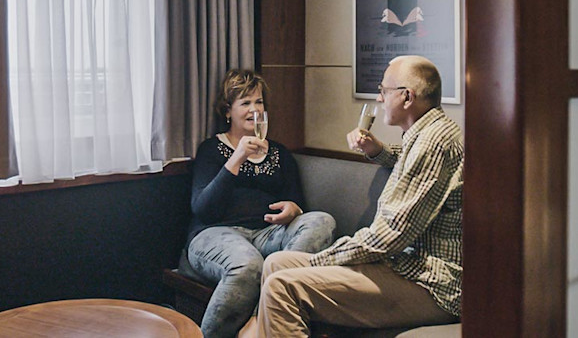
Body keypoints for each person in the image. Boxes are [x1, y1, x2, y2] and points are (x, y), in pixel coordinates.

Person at [254, 55, 463, 337]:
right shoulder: (426, 132)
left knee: (282, 287)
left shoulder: (432, 142)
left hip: (432, 282)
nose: (379, 97)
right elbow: (410, 164)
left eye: (383, 91)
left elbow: (390, 236)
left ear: (406, 97)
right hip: (406, 266)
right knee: (276, 262)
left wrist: (325, 258)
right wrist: (378, 151)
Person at [187, 69, 336, 338]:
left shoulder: (279, 153)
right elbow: (203, 209)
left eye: (259, 102)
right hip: (216, 235)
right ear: (228, 111)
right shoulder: (211, 149)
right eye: (245, 103)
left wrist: (294, 210)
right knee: (249, 264)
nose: (254, 109)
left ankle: (259, 320)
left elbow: (298, 203)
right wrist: (237, 158)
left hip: (268, 234)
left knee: (322, 221)